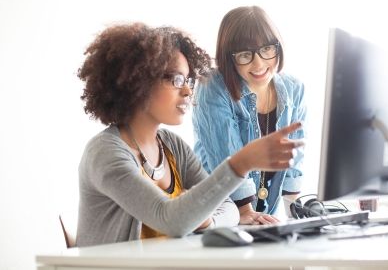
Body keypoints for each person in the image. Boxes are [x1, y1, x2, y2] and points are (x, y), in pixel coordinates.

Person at [76, 22, 303, 247]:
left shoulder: (171, 146)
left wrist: (203, 217)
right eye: (176, 80)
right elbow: (172, 220)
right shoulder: (105, 153)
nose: (187, 91)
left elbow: (230, 208)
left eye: (188, 80)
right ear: (139, 82)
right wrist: (241, 163)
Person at [192, 6, 307, 224]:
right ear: (229, 58)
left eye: (266, 49)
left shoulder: (294, 89)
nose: (259, 63)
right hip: (217, 214)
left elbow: (294, 162)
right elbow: (225, 157)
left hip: (262, 217)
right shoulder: (212, 86)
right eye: (245, 55)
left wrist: (298, 216)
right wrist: (244, 211)